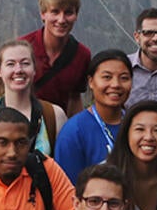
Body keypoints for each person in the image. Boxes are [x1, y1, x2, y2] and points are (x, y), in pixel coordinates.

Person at [0, 0, 91, 117]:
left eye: (68, 13)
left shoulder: (81, 55)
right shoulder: (21, 49)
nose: (61, 20)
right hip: (16, 131)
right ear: (43, 14)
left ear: (76, 15)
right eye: (55, 12)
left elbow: (74, 98)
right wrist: (11, 121)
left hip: (53, 128)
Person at [0, 39, 69, 158]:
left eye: (25, 63)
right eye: (10, 64)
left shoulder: (54, 116)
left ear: (34, 69)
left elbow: (64, 170)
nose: (18, 70)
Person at [54, 50, 134, 183]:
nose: (116, 84)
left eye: (124, 78)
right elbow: (67, 189)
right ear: (91, 82)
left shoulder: (137, 125)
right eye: (107, 77)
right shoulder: (74, 131)